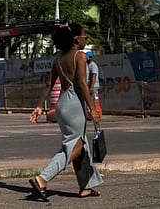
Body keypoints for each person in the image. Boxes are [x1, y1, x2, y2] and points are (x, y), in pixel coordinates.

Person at [29, 23, 102, 202]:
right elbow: (83, 84)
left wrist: (39, 106)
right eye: (85, 36)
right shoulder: (80, 56)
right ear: (77, 39)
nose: (86, 40)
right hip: (75, 104)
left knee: (80, 146)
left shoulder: (58, 59)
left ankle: (85, 187)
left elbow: (49, 85)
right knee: (72, 146)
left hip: (62, 104)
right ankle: (42, 179)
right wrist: (92, 107)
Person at [86, 51, 102, 118]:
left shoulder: (93, 65)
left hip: (94, 86)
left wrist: (92, 87)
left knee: (94, 101)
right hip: (90, 86)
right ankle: (91, 114)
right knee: (90, 101)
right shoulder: (88, 65)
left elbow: (94, 75)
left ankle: (96, 114)